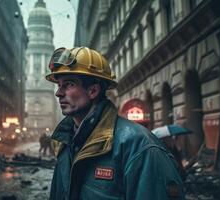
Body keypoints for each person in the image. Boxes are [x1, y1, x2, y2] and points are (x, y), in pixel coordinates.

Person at [45, 46, 185, 200]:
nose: (58, 93)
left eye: (69, 84)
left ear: (93, 91)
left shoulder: (140, 147)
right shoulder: (65, 144)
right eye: (59, 85)